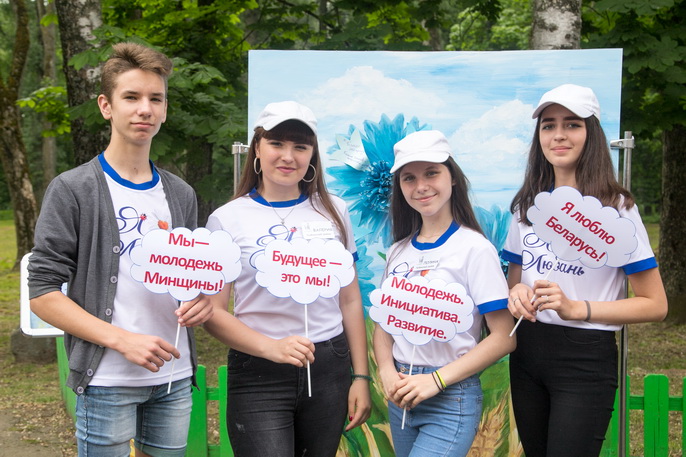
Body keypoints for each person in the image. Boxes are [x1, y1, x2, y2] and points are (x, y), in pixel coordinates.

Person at [28, 42, 212, 457]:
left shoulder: (181, 194)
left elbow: (188, 276)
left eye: (155, 99)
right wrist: (122, 340)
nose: (144, 109)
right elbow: (41, 293)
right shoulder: (73, 189)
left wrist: (200, 300)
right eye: (131, 97)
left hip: (173, 378)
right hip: (106, 379)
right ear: (106, 106)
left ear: (165, 110)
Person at [502, 84, 668, 457]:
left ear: (591, 133)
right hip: (527, 351)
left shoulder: (617, 209)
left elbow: (655, 304)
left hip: (584, 359)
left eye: (572, 124)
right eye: (548, 125)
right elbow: (514, 283)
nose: (558, 135)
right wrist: (516, 294)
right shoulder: (526, 207)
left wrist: (577, 308)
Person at [202, 101, 371, 456]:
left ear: (312, 155)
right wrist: (271, 348)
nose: (288, 156)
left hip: (328, 367)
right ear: (257, 149)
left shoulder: (334, 211)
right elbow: (212, 313)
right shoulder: (226, 219)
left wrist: (360, 376)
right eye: (277, 143)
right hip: (257, 371)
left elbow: (350, 299)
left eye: (300, 146)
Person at [372, 130, 516, 457]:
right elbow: (384, 326)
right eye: (409, 178)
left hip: (451, 397)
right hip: (402, 396)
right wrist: (385, 371)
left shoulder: (475, 249)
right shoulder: (397, 252)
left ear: (452, 178)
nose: (421, 186)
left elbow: (504, 337)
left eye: (431, 173)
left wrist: (435, 380)